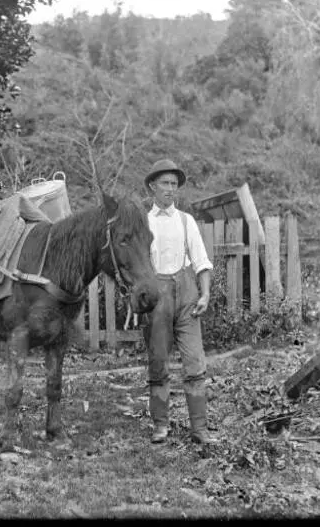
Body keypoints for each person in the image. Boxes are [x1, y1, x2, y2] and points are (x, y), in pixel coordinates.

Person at [143, 159, 215, 445]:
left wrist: (205, 293)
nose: (171, 190)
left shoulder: (186, 220)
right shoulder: (143, 222)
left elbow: (201, 261)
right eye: (165, 184)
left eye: (174, 184)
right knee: (158, 362)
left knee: (195, 361)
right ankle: (161, 425)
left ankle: (200, 428)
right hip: (157, 297)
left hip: (187, 296)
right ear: (153, 187)